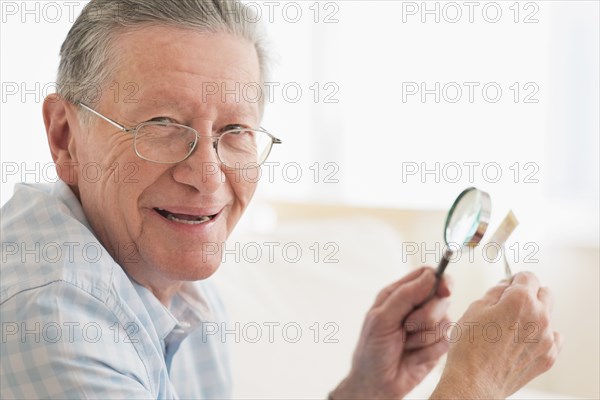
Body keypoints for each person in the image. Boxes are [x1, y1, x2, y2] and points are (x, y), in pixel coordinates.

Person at [0, 1, 561, 398]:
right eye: (163, 124)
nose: (207, 176)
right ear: (64, 137)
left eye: (236, 131)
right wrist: (476, 387)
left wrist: (365, 391)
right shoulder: (50, 318)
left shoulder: (176, 282)